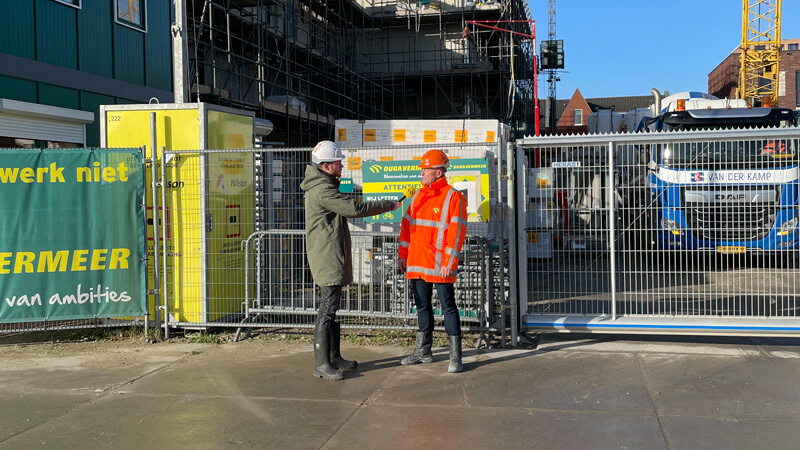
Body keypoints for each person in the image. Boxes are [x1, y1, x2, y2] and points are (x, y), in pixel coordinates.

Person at [300, 140, 400, 381]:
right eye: (338, 162)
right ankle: (322, 364)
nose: (342, 165)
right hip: (327, 256)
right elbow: (354, 209)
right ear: (326, 165)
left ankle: (333, 357)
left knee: (331, 309)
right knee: (327, 309)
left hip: (329, 254)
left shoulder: (324, 186)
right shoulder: (323, 190)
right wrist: (388, 204)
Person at [397, 149, 468, 373]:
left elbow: (456, 233)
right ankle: (423, 352)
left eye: (426, 169)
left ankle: (455, 357)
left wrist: (449, 261)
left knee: (448, 307)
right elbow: (407, 227)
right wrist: (402, 254)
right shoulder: (417, 195)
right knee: (422, 306)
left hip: (440, 265)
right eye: (422, 169)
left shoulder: (452, 196)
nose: (422, 173)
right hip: (417, 263)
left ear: (439, 172)